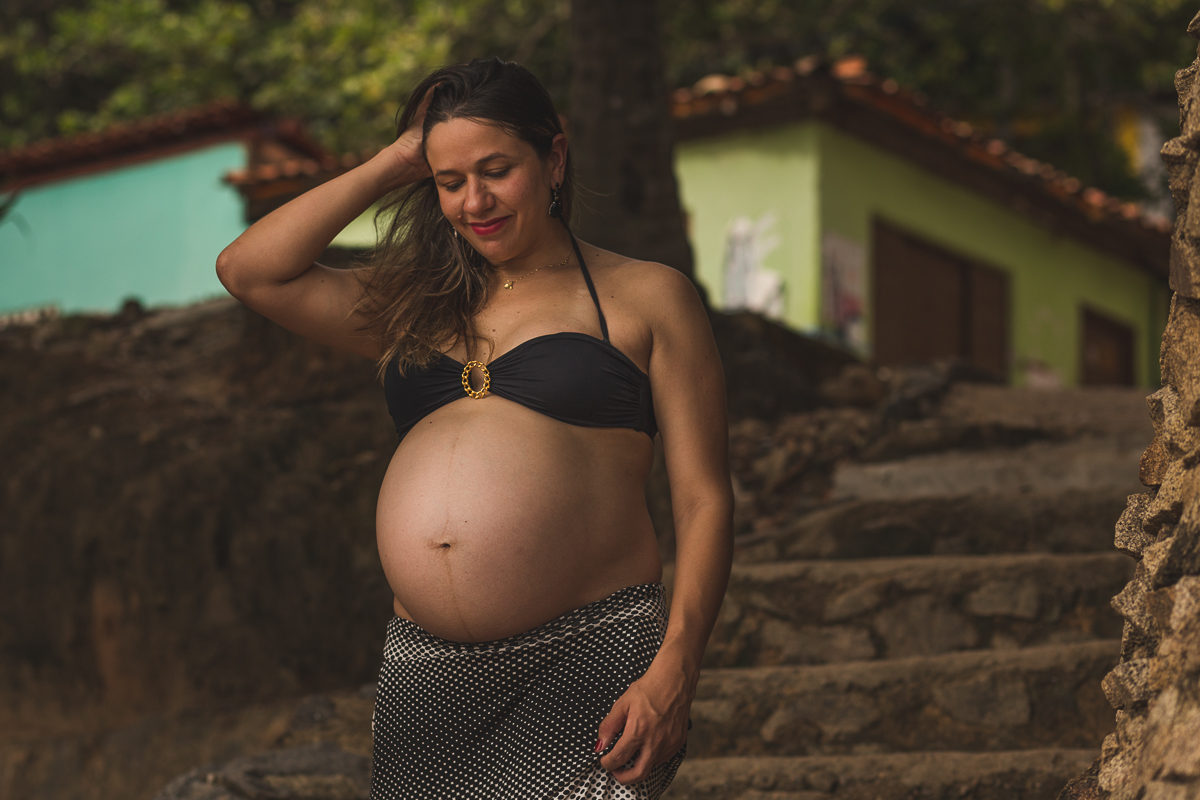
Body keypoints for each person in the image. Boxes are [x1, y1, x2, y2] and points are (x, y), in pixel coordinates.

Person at [216, 56, 733, 800]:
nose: (473, 201)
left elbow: (704, 500)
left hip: (590, 657)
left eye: (496, 170)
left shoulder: (645, 296)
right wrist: (397, 158)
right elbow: (249, 271)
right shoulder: (414, 302)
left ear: (554, 158)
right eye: (449, 181)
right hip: (427, 680)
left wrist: (675, 671)